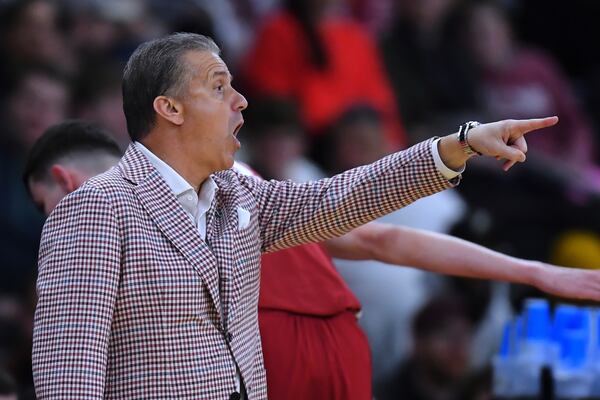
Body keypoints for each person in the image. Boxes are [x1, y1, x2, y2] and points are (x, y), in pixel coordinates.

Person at [29, 32, 592, 400]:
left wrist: (458, 144)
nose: (241, 101)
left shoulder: (238, 195)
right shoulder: (94, 208)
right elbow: (67, 377)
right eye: (219, 86)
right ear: (169, 109)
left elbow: (345, 198)